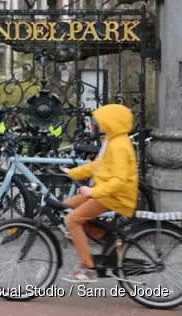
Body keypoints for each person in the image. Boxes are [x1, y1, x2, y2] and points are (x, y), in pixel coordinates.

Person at [60, 104, 138, 283]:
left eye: (102, 120)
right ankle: (108, 238)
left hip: (114, 196)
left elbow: (118, 181)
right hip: (105, 193)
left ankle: (89, 268)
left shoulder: (118, 146)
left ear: (112, 122)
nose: (98, 123)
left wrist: (92, 191)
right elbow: (98, 167)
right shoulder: (111, 141)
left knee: (73, 220)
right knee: (66, 208)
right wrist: (72, 173)